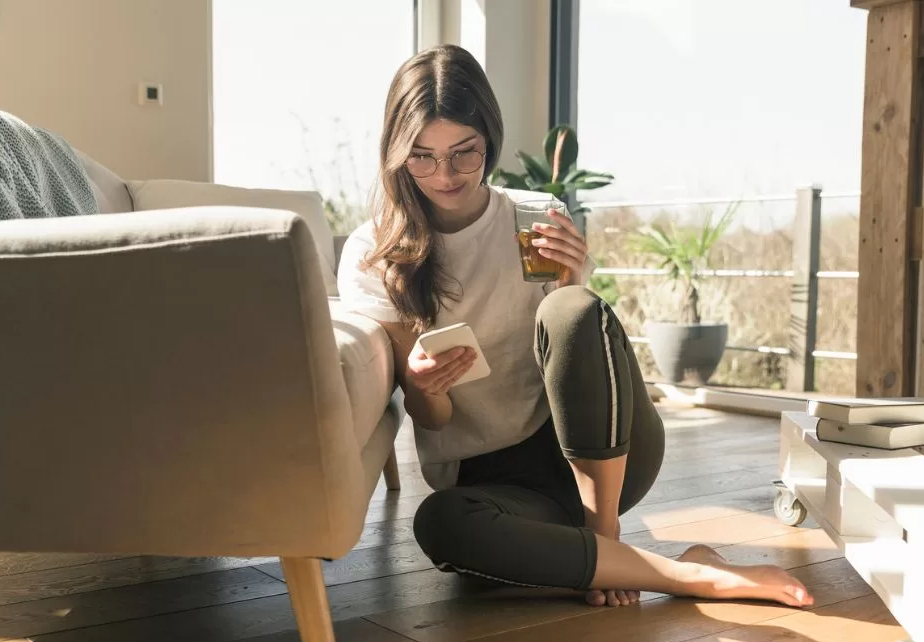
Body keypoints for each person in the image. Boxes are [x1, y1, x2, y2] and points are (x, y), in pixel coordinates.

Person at [337, 44, 812, 609]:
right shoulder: (377, 252)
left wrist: (571, 283)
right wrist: (422, 384)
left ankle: (604, 541)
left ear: (489, 139)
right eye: (422, 156)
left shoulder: (534, 217)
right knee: (441, 524)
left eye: (464, 153)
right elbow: (428, 418)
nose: (445, 175)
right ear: (395, 155)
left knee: (573, 309)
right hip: (490, 482)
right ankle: (691, 572)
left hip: (605, 456)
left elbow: (582, 352)